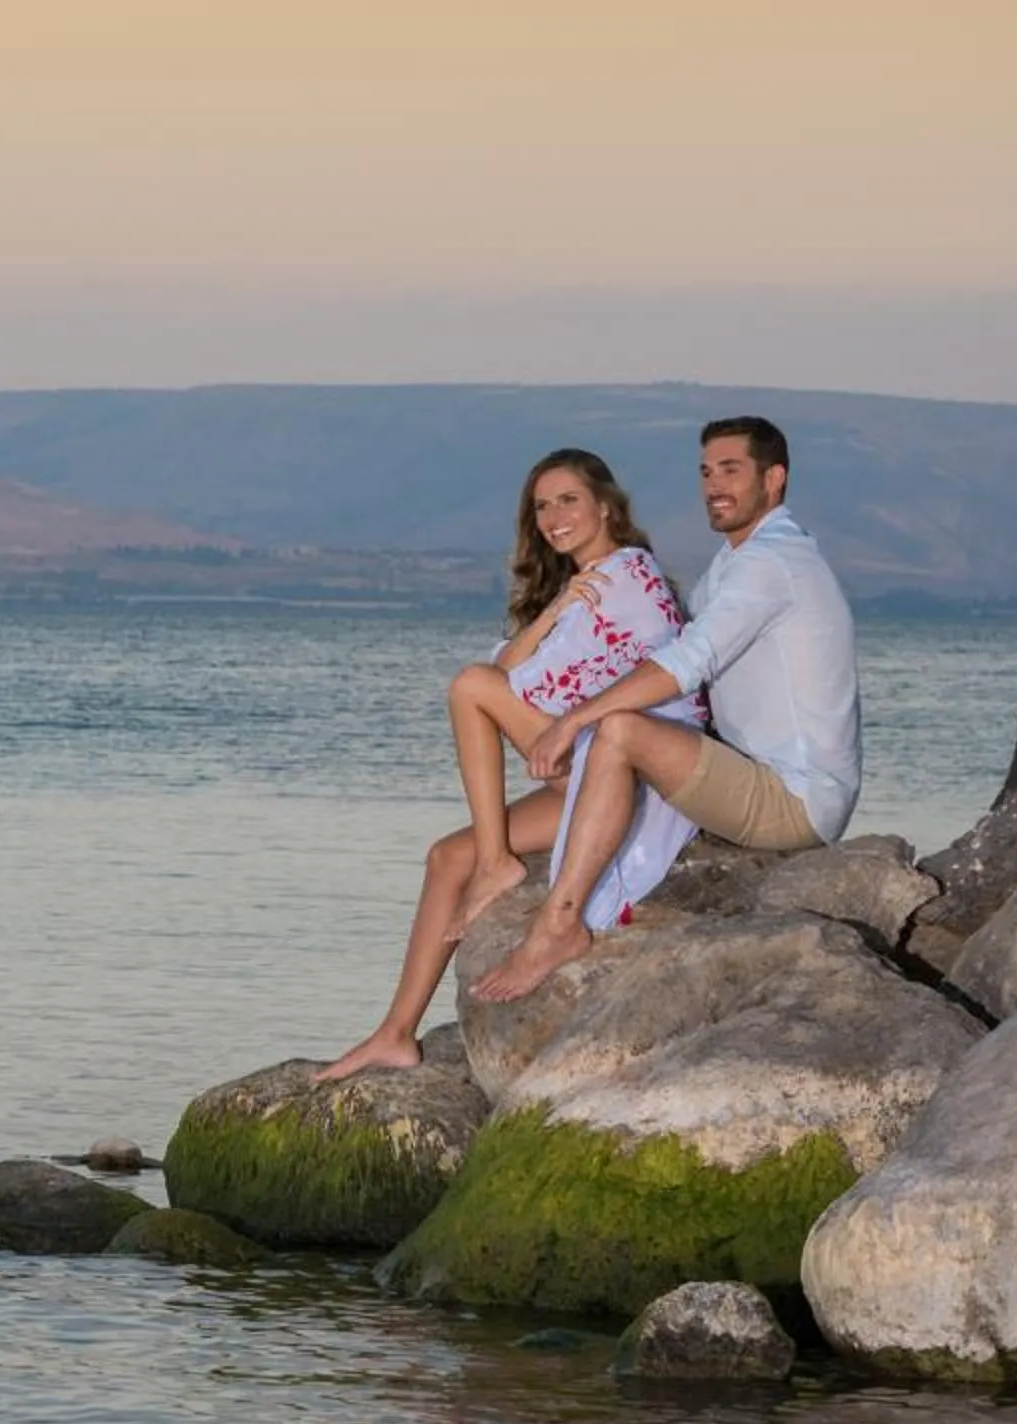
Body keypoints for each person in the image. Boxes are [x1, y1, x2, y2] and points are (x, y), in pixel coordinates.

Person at [315, 449, 704, 1083]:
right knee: (447, 857)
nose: (552, 517)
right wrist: (555, 609)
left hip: (630, 766)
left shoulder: (625, 574)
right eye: (541, 507)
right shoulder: (582, 587)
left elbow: (503, 682)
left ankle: (498, 864)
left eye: (567, 500)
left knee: (469, 687)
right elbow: (512, 670)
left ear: (607, 504)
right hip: (584, 765)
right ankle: (396, 1033)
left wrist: (559, 617)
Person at [468, 414, 861, 1004]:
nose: (713, 485)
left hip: (795, 800)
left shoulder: (770, 565)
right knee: (615, 726)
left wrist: (575, 721)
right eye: (705, 471)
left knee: (620, 729)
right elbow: (664, 646)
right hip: (751, 775)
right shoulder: (735, 563)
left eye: (731, 470)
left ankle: (558, 925)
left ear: (774, 478)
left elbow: (687, 663)